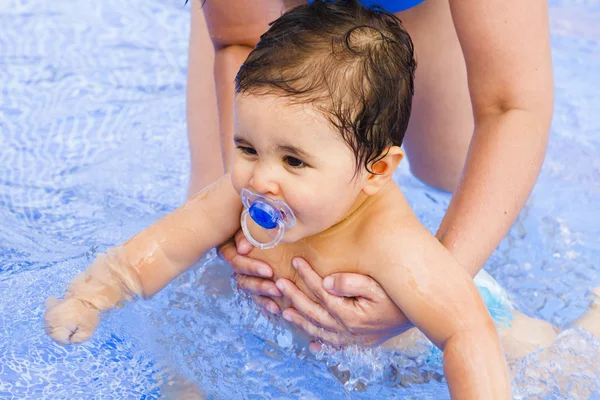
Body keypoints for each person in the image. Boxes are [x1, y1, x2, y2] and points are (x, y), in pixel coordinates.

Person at [44, 3, 600, 398]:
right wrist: (95, 295)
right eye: (246, 146)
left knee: (555, 371)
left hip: (448, 328)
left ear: (376, 171)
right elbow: (163, 249)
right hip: (335, 341)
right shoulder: (247, 191)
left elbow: (466, 333)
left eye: (293, 161)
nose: (261, 178)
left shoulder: (395, 246)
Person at [187, 0, 554, 346]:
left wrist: (428, 295)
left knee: (450, 170)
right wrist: (242, 213)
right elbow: (239, 39)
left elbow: (511, 105)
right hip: (267, 22)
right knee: (210, 263)